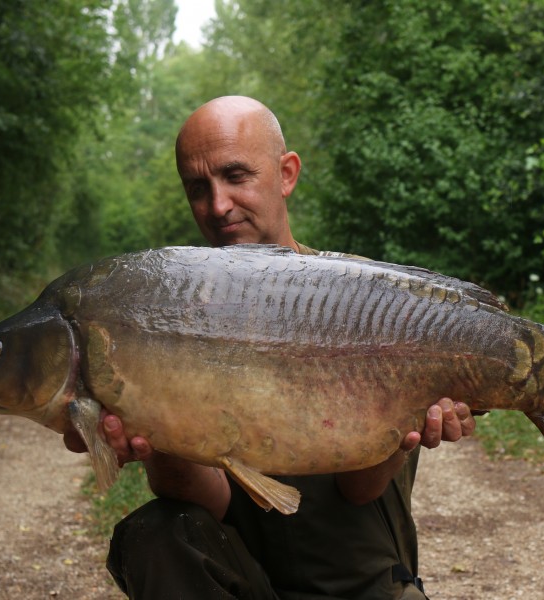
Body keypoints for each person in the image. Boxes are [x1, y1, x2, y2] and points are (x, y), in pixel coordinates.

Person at [65, 96, 478, 599]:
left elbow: (359, 490)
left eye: (236, 176)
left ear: (286, 174)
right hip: (246, 583)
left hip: (361, 585)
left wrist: (422, 419)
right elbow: (209, 503)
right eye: (198, 187)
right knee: (155, 533)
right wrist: (153, 437)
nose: (217, 206)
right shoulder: (169, 316)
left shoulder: (364, 299)